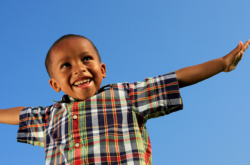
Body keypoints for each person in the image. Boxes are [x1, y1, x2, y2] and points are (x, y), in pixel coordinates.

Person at [0, 34, 249, 165]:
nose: (79, 68)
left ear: (103, 69)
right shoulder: (50, 117)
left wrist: (222, 64)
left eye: (86, 59)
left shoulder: (125, 96)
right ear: (55, 84)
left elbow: (174, 79)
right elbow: (21, 114)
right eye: (66, 65)